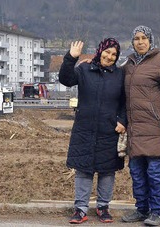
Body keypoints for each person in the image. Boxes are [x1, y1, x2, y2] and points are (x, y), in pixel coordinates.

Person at [120, 25, 160, 226]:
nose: (140, 42)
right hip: (135, 130)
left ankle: (156, 212)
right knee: (137, 174)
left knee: (155, 173)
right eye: (136, 38)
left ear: (150, 40)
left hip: (156, 128)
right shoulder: (129, 64)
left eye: (144, 38)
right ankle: (142, 209)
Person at [59, 38, 127, 224]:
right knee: (83, 170)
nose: (110, 56)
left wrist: (122, 121)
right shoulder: (84, 69)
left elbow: (125, 103)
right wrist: (71, 58)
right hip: (85, 129)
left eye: (114, 54)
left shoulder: (119, 75)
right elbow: (65, 80)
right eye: (107, 52)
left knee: (107, 171)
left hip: (109, 131)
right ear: (100, 51)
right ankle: (80, 209)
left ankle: (103, 207)